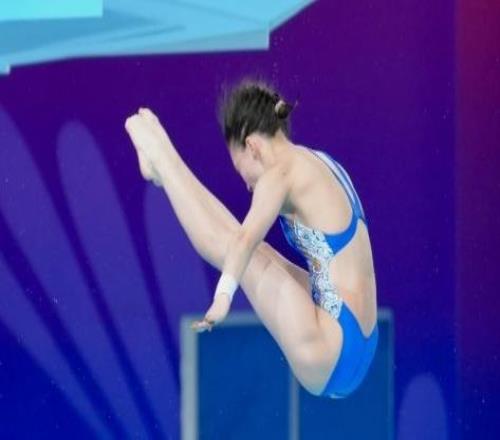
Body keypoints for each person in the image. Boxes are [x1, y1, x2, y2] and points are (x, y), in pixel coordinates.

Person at [124, 79, 379, 398]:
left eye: (240, 167)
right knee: (257, 253)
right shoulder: (317, 161)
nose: (246, 184)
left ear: (253, 146)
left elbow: (243, 240)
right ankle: (165, 162)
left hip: (329, 352)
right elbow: (248, 242)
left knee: (234, 250)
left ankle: (161, 158)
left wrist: (222, 298)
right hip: (361, 339)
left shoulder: (281, 173)